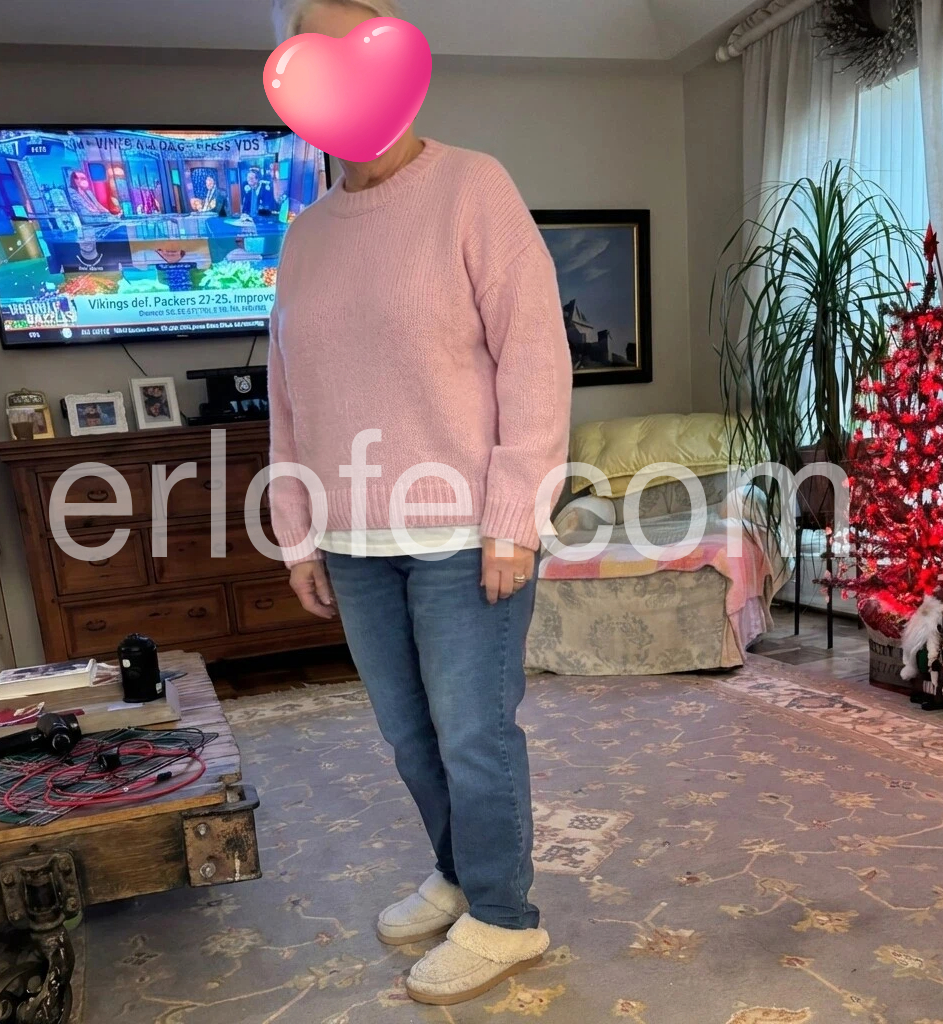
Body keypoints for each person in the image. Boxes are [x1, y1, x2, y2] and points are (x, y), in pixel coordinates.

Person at [268, 0, 572, 1006]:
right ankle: (458, 873)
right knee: (409, 737)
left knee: (473, 735)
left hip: (462, 533)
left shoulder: (472, 188)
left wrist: (514, 516)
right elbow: (287, 393)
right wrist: (300, 534)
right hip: (354, 540)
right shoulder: (305, 235)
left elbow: (535, 358)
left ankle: (505, 918)